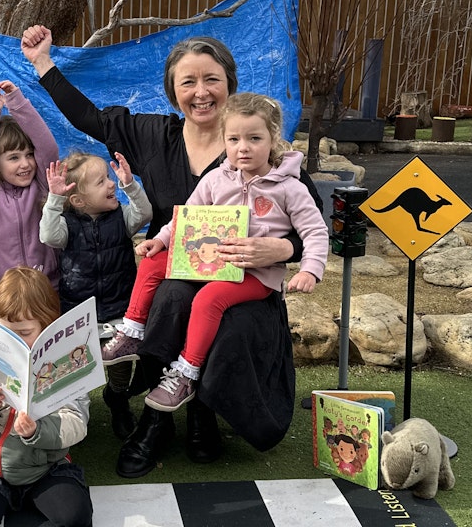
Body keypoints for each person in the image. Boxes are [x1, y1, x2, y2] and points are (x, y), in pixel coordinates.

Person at [21, 24, 323, 477]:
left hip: (244, 278)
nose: (201, 92)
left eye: (211, 79)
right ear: (172, 91)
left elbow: (312, 223)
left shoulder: (258, 147)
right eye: (188, 82)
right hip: (175, 271)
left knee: (228, 316)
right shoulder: (153, 136)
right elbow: (91, 120)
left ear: (230, 85)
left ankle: (203, 412)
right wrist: (43, 62)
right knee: (172, 298)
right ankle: (155, 421)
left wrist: (279, 248)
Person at [102, 92, 328, 413]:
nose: (243, 147)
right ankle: (132, 331)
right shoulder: (216, 179)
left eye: (254, 138)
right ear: (224, 140)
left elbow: (315, 230)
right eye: (233, 139)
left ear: (273, 138)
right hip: (211, 260)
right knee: (152, 264)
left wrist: (310, 269)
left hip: (255, 275)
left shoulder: (289, 187)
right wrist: (162, 240)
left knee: (208, 299)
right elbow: (186, 218)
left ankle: (186, 372)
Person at [0, 266, 93, 527]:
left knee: (76, 516)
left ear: (47, 326)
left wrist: (36, 431)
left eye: (25, 333)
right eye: (5, 332)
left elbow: (76, 423)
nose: (14, 341)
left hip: (46, 471)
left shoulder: (63, 362)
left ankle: (31, 503)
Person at [39, 151, 151, 438]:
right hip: (78, 309)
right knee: (77, 363)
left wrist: (130, 185)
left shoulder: (121, 217)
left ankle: (117, 397)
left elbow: (144, 214)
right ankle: (75, 409)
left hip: (120, 307)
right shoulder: (67, 225)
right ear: (79, 200)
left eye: (109, 178)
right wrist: (54, 199)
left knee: (121, 360)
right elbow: (48, 236)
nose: (111, 184)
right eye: (101, 181)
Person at [0, 80, 60, 292]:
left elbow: (48, 148)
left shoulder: (42, 186)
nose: (25, 164)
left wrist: (16, 101)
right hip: (3, 290)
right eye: (14, 157)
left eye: (29, 155)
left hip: (46, 287)